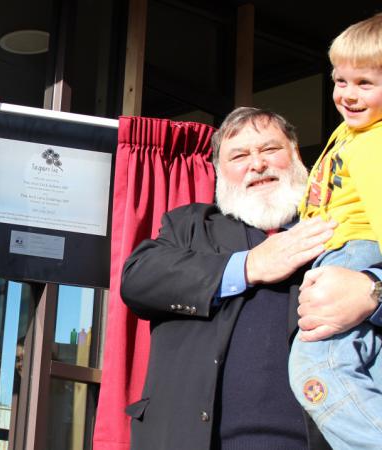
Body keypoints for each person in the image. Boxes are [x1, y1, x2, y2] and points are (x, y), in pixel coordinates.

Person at [120, 106, 382, 450]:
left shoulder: (345, 228)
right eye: (239, 155)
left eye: (270, 150)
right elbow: (138, 278)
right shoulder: (189, 226)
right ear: (218, 172)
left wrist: (372, 293)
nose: (257, 164)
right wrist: (250, 266)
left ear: (297, 156)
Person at [289, 14, 382, 450]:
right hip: (339, 253)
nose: (348, 95)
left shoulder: (374, 143)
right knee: (367, 371)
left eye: (365, 83)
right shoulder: (350, 132)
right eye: (340, 80)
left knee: (316, 366)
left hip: (355, 256)